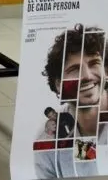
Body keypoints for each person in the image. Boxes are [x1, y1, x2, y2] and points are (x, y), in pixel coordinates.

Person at [34, 24, 108, 177]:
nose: (87, 76)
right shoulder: (48, 139)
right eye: (74, 69)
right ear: (58, 84)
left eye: (94, 63)